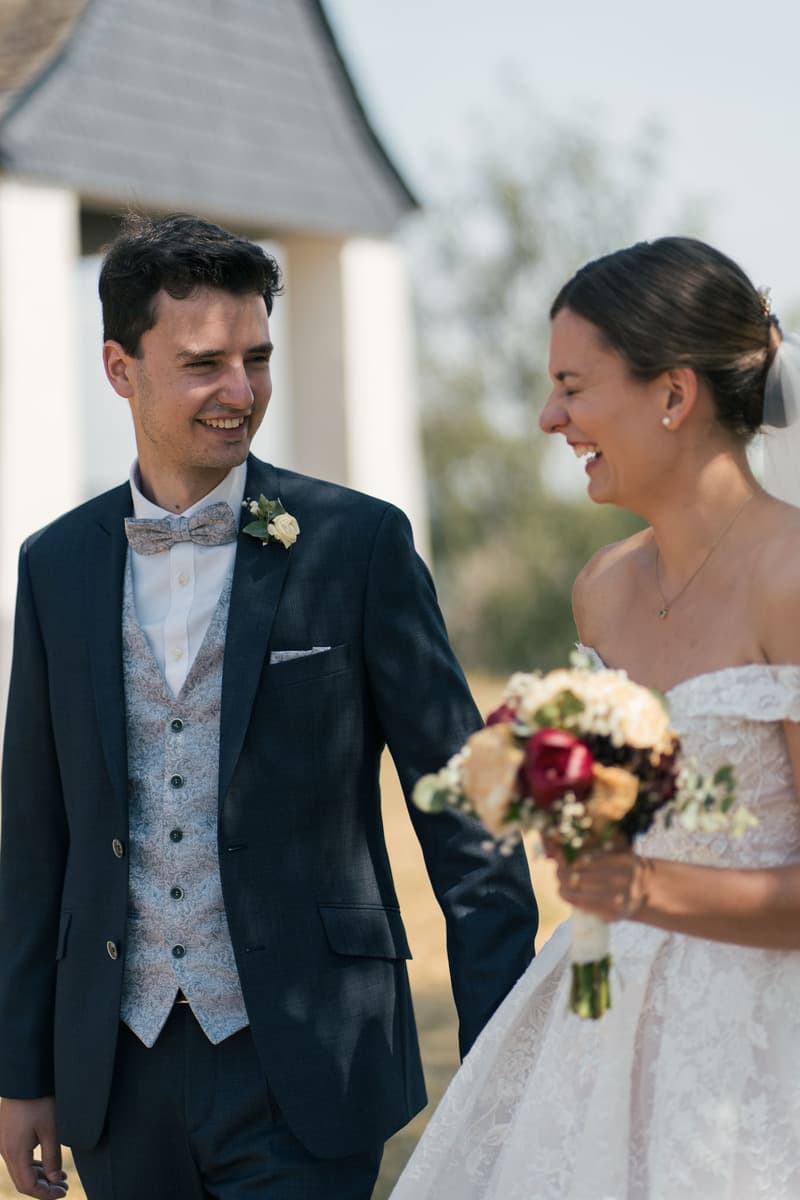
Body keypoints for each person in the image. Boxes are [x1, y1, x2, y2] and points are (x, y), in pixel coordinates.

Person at [0, 212, 538, 1200]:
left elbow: (465, 812)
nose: (241, 392)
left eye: (257, 358)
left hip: (311, 1061)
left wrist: (505, 1055)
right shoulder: (55, 565)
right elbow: (35, 838)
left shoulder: (357, 543)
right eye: (204, 364)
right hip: (116, 1070)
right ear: (120, 369)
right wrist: (21, 1069)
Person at [390, 236, 800, 1199]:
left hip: (757, 1057)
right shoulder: (602, 589)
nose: (549, 418)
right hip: (596, 1021)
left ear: (673, 394)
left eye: (572, 387)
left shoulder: (790, 577)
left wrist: (643, 886)